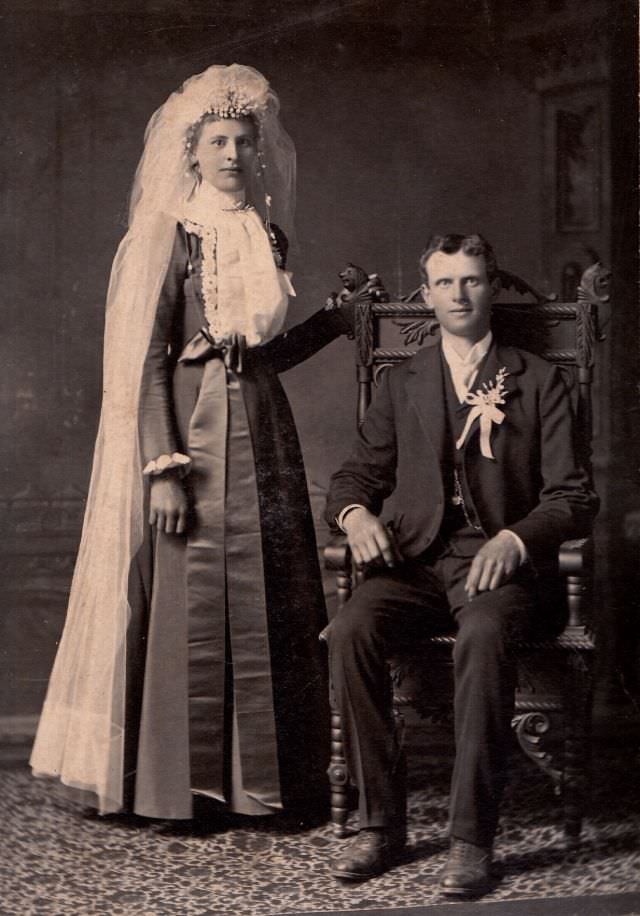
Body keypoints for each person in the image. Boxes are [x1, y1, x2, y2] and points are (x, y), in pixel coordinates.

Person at [30, 63, 369, 823]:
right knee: (193, 601)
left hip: (264, 433)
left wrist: (332, 317)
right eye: (217, 141)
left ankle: (266, 786)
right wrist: (162, 469)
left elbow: (264, 353)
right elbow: (148, 363)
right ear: (192, 151)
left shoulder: (266, 233)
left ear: (258, 151)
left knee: (270, 598)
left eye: (242, 141)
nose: (230, 154)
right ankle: (178, 789)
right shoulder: (172, 237)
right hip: (191, 439)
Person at [324, 233, 598, 895]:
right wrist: (356, 518)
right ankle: (380, 824)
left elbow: (574, 496)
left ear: (492, 286)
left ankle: (471, 838)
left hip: (502, 569)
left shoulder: (540, 380)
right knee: (352, 628)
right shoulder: (401, 382)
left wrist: (516, 540)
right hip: (417, 561)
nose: (458, 294)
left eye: (471, 280)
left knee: (480, 634)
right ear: (426, 294)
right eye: (444, 283)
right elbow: (352, 481)